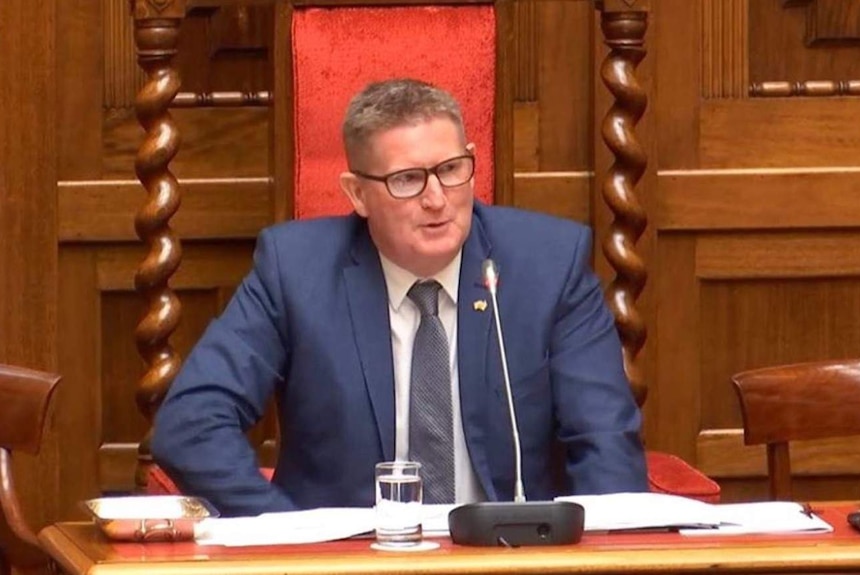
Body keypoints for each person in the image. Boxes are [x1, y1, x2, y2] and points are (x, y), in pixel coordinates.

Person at [151, 78, 648, 517]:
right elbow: (190, 424)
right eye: (407, 179)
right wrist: (288, 532)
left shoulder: (548, 265)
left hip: (507, 557)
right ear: (357, 194)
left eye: (452, 169)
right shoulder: (296, 270)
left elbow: (605, 443)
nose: (437, 198)